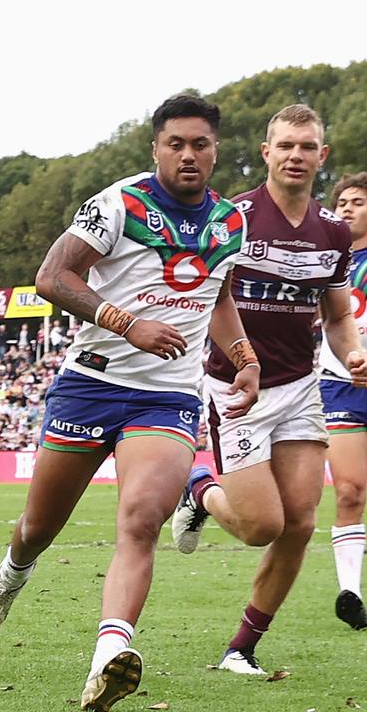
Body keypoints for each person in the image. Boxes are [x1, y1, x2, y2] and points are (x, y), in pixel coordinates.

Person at [0, 95, 258, 711]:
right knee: (40, 527)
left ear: (215, 152)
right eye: (175, 143)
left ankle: (109, 655)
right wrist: (128, 325)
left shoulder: (233, 223)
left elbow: (219, 298)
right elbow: (52, 277)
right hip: (91, 383)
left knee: (141, 518)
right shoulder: (119, 204)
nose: (187, 154)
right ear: (155, 148)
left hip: (169, 395)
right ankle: (12, 572)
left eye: (199, 144)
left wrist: (246, 360)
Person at [170, 105, 367, 674]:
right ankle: (201, 488)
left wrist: (350, 350)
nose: (296, 156)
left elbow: (335, 316)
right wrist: (241, 359)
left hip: (302, 386)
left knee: (301, 523)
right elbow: (206, 301)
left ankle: (241, 648)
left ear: (322, 156)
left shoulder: (333, 232)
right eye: (286, 146)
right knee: (262, 526)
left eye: (307, 147)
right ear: (266, 152)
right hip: (236, 387)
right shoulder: (234, 219)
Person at [321, 172, 367, 630]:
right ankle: (351, 592)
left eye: (358, 201)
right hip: (340, 384)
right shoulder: (324, 258)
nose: (347, 208)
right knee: (350, 490)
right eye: (343, 201)